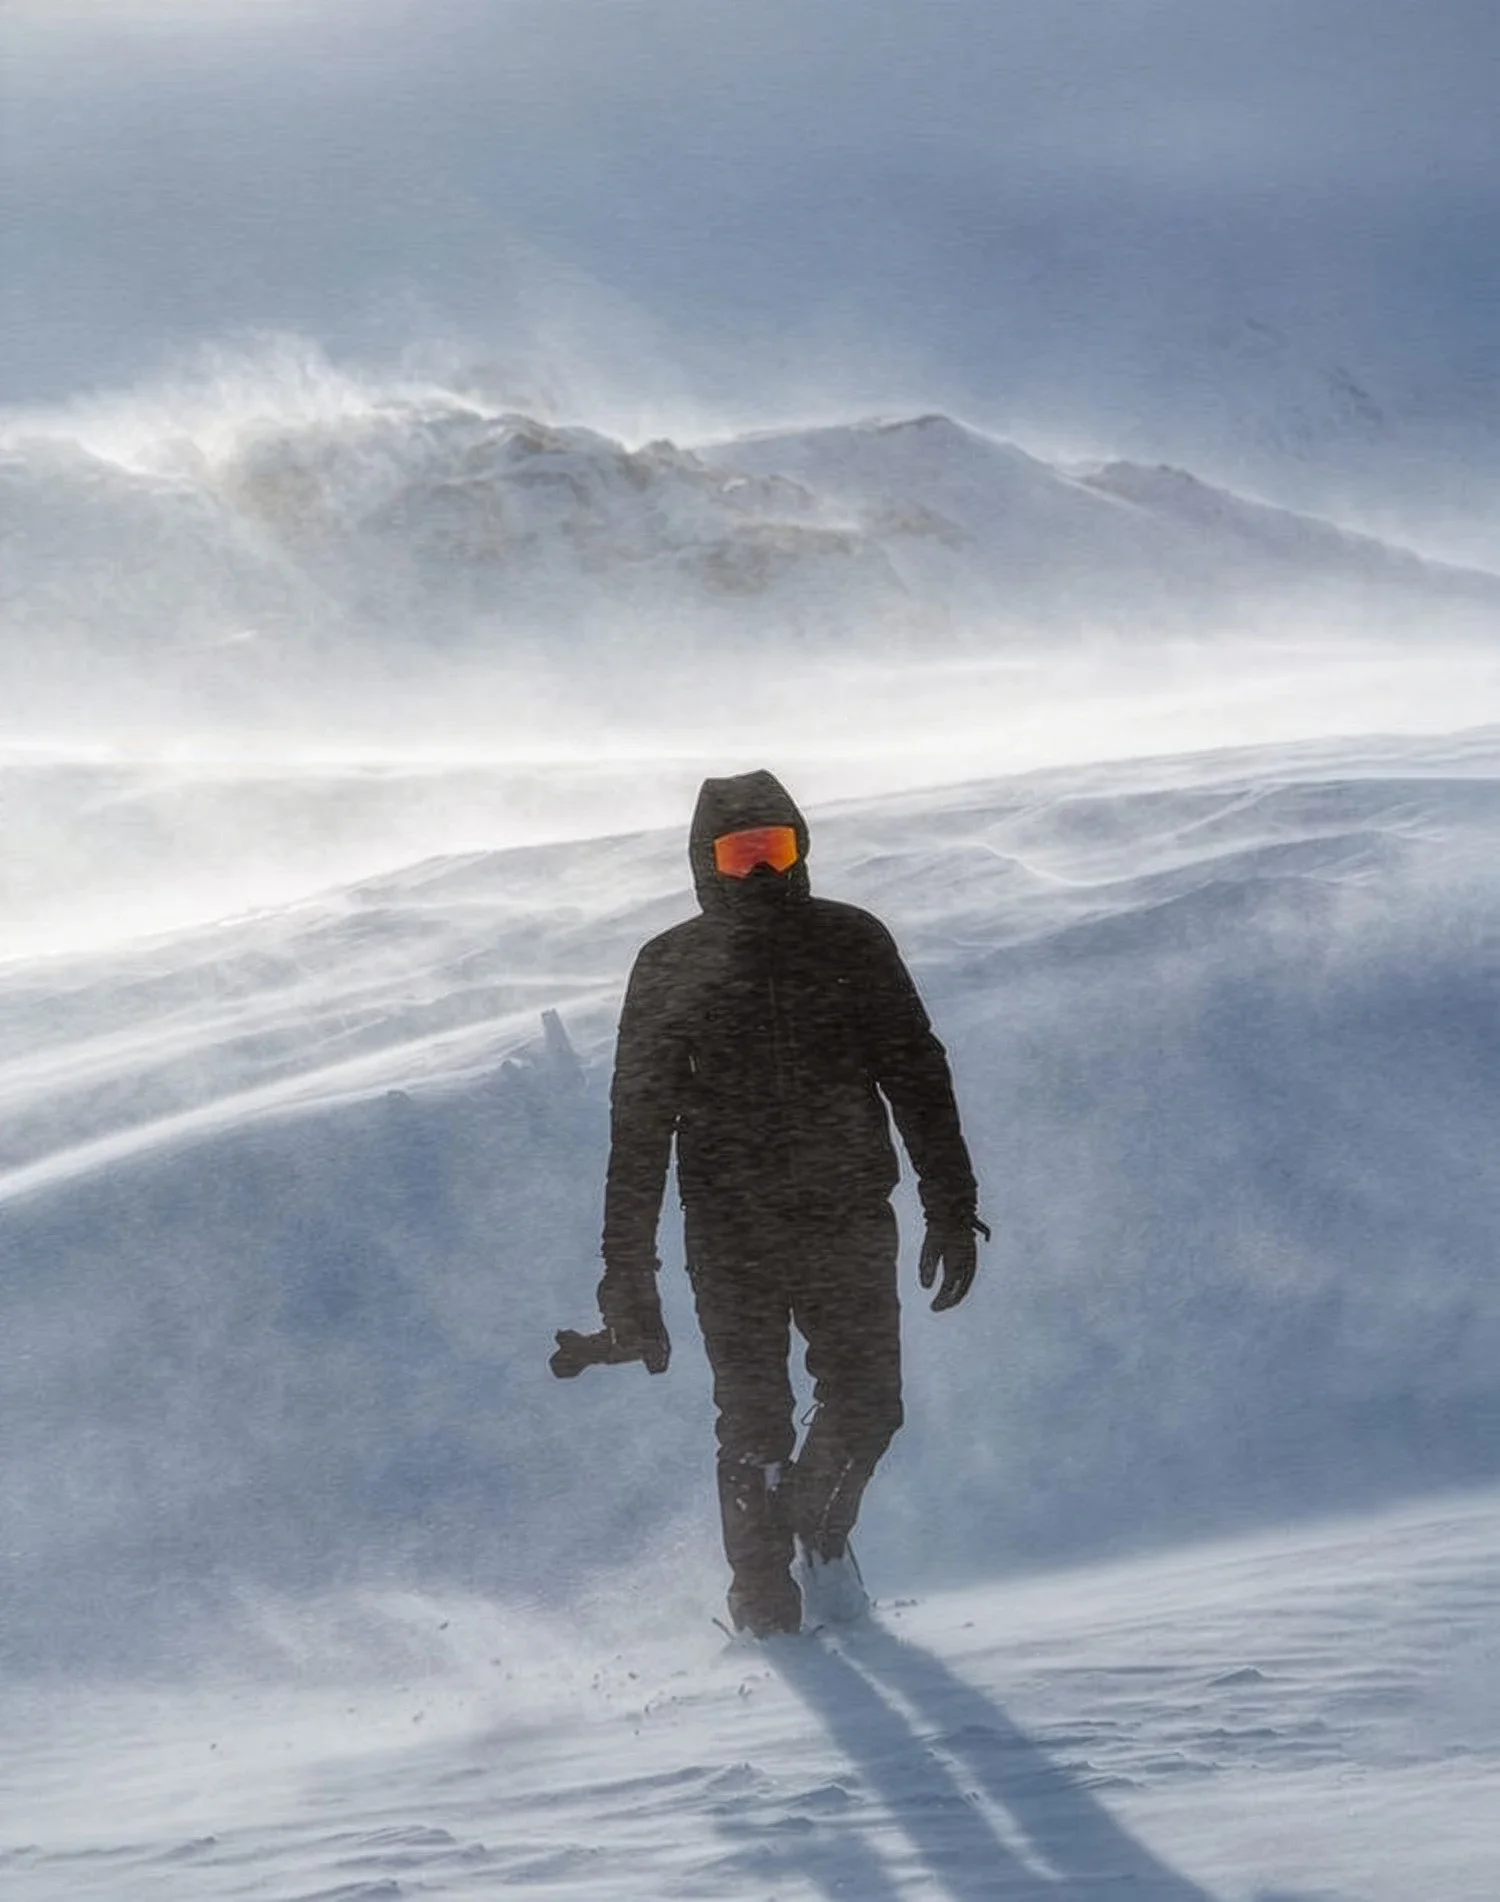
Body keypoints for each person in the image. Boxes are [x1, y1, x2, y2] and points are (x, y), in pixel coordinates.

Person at [597, 769, 985, 1637]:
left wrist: (951, 1203)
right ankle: (765, 1611)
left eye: (777, 850)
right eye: (743, 856)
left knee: (872, 1404)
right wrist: (627, 1271)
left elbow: (917, 1074)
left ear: (803, 850)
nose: (764, 875)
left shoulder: (851, 942)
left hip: (847, 1217)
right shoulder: (670, 965)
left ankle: (817, 1529)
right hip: (731, 1232)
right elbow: (637, 1128)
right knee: (754, 1420)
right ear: (706, 866)